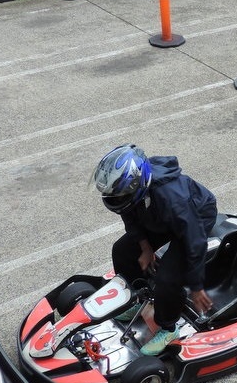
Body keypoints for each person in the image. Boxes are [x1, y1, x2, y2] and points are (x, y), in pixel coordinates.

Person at [91, 144, 218, 356]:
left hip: (195, 218)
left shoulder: (173, 197)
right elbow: (129, 215)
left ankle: (169, 328)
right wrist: (145, 247)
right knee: (122, 251)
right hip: (158, 216)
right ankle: (140, 298)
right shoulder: (129, 195)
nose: (116, 200)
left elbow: (194, 242)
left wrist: (196, 286)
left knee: (168, 278)